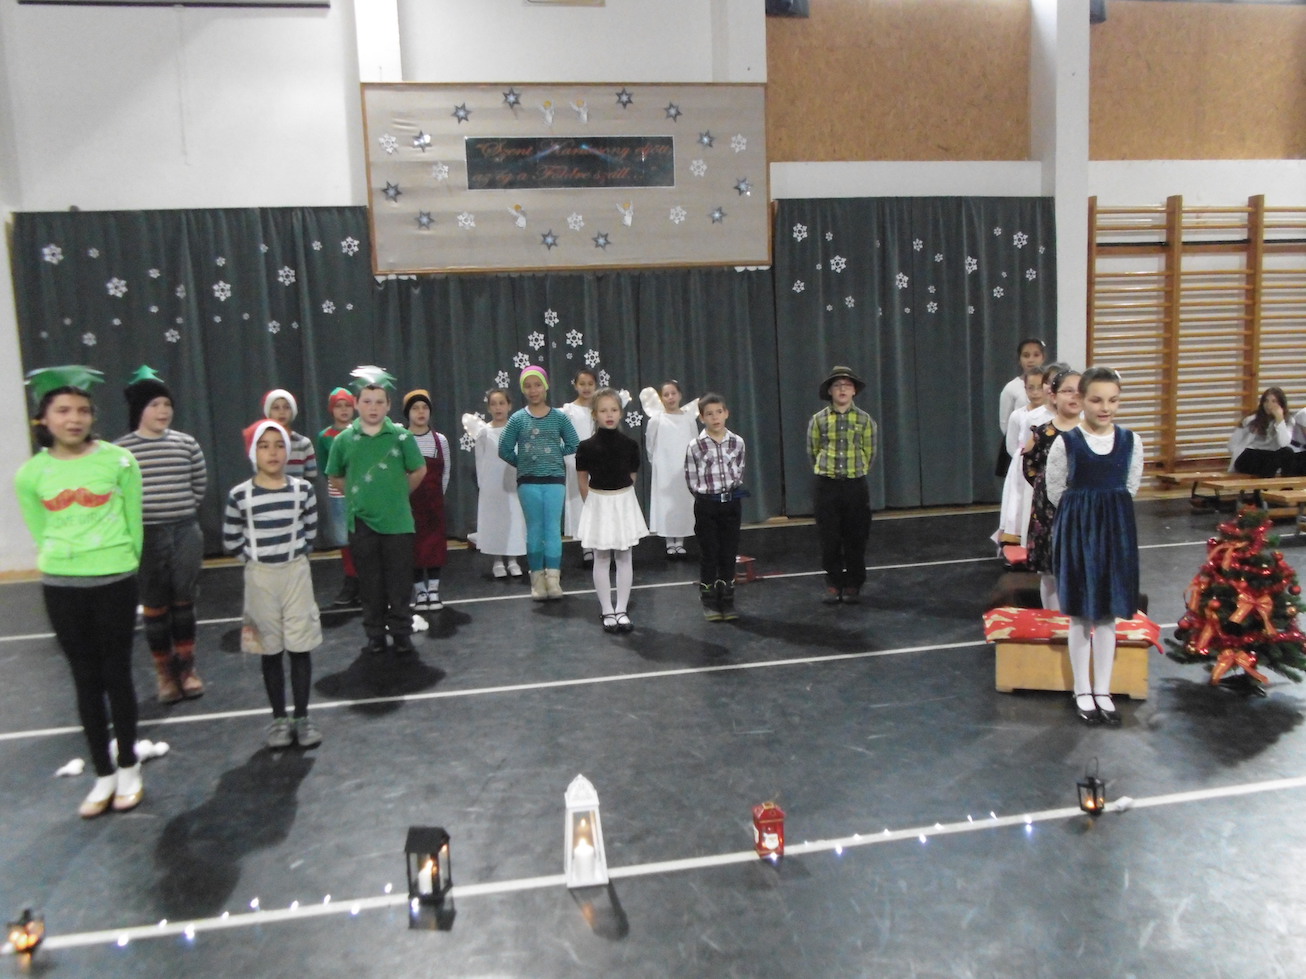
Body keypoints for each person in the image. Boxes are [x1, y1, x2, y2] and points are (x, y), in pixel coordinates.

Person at [15, 367, 145, 818]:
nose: (74, 419)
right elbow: (41, 529)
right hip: (62, 586)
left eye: (83, 411)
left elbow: (133, 522)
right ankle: (103, 773)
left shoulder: (119, 462)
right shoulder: (30, 474)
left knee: (117, 674)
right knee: (85, 680)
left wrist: (121, 563)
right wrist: (65, 561)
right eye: (63, 411)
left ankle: (128, 766)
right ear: (44, 419)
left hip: (114, 580)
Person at [1047, 367, 1143, 726]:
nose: (1106, 408)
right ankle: (1082, 689)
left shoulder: (1131, 441)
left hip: (1115, 533)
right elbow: (1056, 490)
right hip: (1078, 532)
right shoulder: (1067, 442)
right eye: (1097, 400)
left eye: (1113, 400)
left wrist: (1106, 515)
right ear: (1082, 399)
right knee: (1080, 614)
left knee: (1107, 614)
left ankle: (1103, 689)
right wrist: (1083, 517)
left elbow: (1130, 486)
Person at [223, 420, 323, 749]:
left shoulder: (302, 490)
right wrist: (254, 561)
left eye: (279, 445)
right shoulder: (240, 495)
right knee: (270, 649)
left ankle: (302, 717)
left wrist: (295, 555)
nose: (273, 452)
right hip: (260, 578)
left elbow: (310, 530)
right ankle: (279, 719)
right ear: (253, 452)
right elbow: (231, 538)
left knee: (300, 647)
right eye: (264, 446)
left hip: (296, 574)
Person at [114, 365, 208, 703]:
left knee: (183, 600)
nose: (163, 411)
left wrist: (180, 511)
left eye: (167, 404)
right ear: (139, 409)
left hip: (184, 531)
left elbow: (199, 483)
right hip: (147, 536)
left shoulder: (186, 444)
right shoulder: (121, 452)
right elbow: (116, 494)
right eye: (154, 405)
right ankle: (164, 673)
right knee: (154, 604)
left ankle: (187, 668)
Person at [325, 373, 427, 655]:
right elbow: (334, 475)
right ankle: (375, 633)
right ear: (357, 404)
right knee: (370, 584)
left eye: (379, 402)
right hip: (362, 523)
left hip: (398, 523)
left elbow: (419, 469)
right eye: (367, 401)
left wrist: (398, 494)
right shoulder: (345, 440)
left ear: (388, 405)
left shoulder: (402, 437)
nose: (373, 407)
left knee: (400, 582)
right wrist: (357, 496)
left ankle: (401, 631)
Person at [499, 366, 580, 600]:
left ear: (545, 386)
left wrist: (553, 454)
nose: (533, 390)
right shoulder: (517, 419)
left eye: (537, 385)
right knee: (534, 529)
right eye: (527, 386)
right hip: (528, 482)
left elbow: (574, 443)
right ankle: (537, 580)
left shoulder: (559, 417)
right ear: (523, 389)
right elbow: (504, 448)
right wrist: (523, 462)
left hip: (555, 481)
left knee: (553, 529)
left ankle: (553, 580)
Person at [576, 388, 649, 632]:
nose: (609, 415)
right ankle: (607, 609)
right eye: (603, 410)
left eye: (614, 410)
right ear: (594, 414)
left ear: (620, 413)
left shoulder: (630, 445)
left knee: (624, 555)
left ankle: (621, 609)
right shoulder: (586, 447)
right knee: (601, 556)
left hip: (622, 502)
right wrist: (593, 505)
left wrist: (622, 500)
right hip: (599, 502)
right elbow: (582, 479)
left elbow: (632, 475)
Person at [807, 366, 878, 604]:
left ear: (854, 391)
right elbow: (813, 450)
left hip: (854, 485)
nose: (842, 389)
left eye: (847, 385)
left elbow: (869, 452)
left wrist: (855, 471)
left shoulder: (865, 420)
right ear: (830, 391)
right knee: (829, 537)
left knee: (856, 537)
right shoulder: (818, 420)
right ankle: (834, 581)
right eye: (837, 385)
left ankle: (854, 583)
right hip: (826, 485)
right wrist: (826, 470)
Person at [1023, 368, 1082, 610]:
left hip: (1082, 508)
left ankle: (1076, 618)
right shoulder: (1042, 433)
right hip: (1048, 511)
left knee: (1079, 568)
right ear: (1054, 396)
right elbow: (1030, 467)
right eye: (1067, 391)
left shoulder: (1091, 432)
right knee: (1049, 571)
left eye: (1080, 391)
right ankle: (1052, 618)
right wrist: (1049, 491)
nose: (1074, 396)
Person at [684, 392, 746, 621]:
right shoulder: (695, 446)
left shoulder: (737, 442)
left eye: (719, 412)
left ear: (726, 413)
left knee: (728, 552)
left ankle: (727, 600)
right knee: (709, 552)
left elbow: (739, 469)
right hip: (707, 505)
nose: (715, 417)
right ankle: (709, 601)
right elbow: (691, 478)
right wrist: (705, 497)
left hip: (731, 503)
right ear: (702, 418)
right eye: (709, 414)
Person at [462, 388, 526, 579]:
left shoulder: (517, 429)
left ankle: (513, 560)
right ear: (489, 408)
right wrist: (483, 485)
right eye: (493, 404)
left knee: (514, 520)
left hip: (512, 483)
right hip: (492, 486)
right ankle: (497, 561)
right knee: (496, 521)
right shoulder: (484, 432)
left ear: (509, 406)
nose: (498, 408)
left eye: (502, 403)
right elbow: (480, 460)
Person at [991, 366, 1053, 555]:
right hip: (1022, 466)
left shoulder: (1052, 414)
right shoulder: (1018, 415)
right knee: (1018, 500)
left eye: (1039, 387)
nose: (1035, 392)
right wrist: (1022, 461)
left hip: (1045, 465)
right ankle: (1016, 539)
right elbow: (1011, 444)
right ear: (1024, 389)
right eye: (1030, 388)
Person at [402, 389, 450, 613]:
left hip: (433, 506)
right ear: (407, 413)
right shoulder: (402, 439)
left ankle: (433, 590)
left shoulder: (440, 440)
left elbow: (446, 471)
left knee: (434, 547)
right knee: (412, 548)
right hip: (408, 505)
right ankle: (419, 591)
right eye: (415, 408)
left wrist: (438, 496)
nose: (420, 412)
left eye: (424, 408)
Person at [640, 379, 699, 559]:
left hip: (684, 469)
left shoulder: (688, 418)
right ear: (661, 398)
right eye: (666, 395)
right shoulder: (657, 420)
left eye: (673, 393)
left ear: (680, 395)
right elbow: (650, 443)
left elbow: (695, 442)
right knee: (665, 503)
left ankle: (680, 542)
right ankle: (669, 543)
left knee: (682, 502)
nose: (670, 397)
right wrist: (656, 462)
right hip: (664, 468)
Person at [316, 387, 360, 608]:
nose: (343, 410)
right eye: (338, 406)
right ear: (331, 409)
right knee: (345, 539)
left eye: (347, 405)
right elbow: (326, 467)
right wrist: (340, 484)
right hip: (338, 491)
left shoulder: (361, 431)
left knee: (364, 536)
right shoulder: (325, 436)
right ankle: (351, 580)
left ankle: (368, 581)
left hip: (362, 491)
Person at [560, 369, 598, 565]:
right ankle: (587, 546)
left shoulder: (600, 409)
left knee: (599, 501)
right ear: (575, 385)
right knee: (581, 503)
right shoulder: (568, 411)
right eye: (582, 384)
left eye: (590, 384)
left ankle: (601, 544)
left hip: (599, 461)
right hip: (577, 462)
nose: (586, 388)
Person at [995, 337, 1046, 477]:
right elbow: (1005, 423)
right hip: (1019, 447)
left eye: (1036, 355)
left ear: (1043, 357)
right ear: (1019, 359)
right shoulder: (1011, 388)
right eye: (1026, 355)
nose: (1031, 360)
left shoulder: (1050, 384)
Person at [1227, 387, 1292, 477]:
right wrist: (1237, 453)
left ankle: (1286, 483)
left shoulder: (1288, 421)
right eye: (1266, 401)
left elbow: (1284, 443)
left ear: (1281, 404)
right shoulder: (1251, 420)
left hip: (1270, 458)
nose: (1269, 405)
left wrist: (1279, 420)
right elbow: (1231, 445)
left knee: (1287, 452)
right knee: (1266, 457)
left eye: (1274, 401)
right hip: (1249, 457)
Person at [259, 389, 317, 481]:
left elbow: (311, 476)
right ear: (268, 412)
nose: (282, 412)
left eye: (286, 407)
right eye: (276, 408)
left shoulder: (303, 443)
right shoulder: (261, 442)